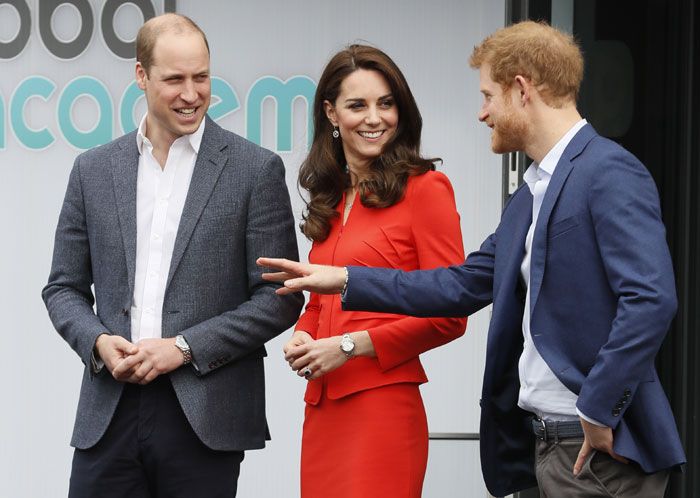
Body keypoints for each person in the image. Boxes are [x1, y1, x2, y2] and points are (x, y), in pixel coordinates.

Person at [258, 22, 685, 498]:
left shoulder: (608, 170)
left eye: (488, 96)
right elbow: (457, 286)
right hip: (540, 444)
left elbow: (650, 300)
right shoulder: (530, 197)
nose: (482, 113)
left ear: (520, 90)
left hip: (594, 446)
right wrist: (342, 280)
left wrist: (599, 407)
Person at [42, 13, 303, 498]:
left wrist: (182, 348)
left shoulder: (255, 169)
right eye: (175, 79)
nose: (191, 93)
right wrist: (99, 341)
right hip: (109, 409)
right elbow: (62, 288)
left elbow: (279, 297)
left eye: (201, 77)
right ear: (141, 75)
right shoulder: (92, 170)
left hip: (205, 413)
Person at [281, 44, 466, 498]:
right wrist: (304, 334)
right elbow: (321, 300)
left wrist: (349, 346)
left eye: (386, 103)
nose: (374, 118)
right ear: (331, 113)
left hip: (382, 409)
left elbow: (450, 312)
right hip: (323, 409)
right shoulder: (332, 197)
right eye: (357, 105)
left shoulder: (427, 189)